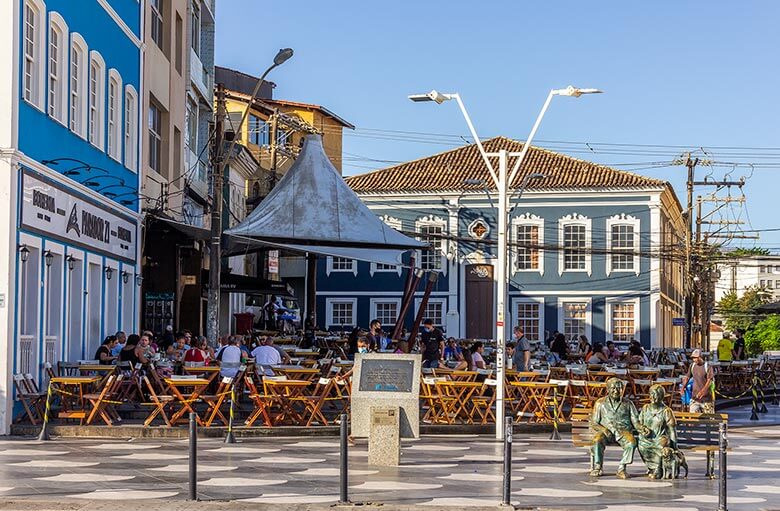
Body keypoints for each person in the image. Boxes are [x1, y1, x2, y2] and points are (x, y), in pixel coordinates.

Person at [590, 377, 649, 479]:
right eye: (613, 388)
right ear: (608, 389)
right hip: (606, 432)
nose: (616, 391)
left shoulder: (628, 403)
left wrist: (642, 428)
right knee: (597, 440)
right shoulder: (600, 403)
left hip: (623, 432)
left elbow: (635, 422)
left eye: (619, 388)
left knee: (631, 443)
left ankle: (622, 468)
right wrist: (603, 429)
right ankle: (597, 466)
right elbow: (594, 423)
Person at [637, 384, 678, 479]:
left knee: (661, 446)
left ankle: (658, 469)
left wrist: (675, 446)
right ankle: (652, 467)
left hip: (661, 437)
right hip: (647, 438)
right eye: (651, 394)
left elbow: (672, 430)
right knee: (641, 444)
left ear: (661, 396)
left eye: (655, 394)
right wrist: (643, 429)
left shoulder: (666, 411)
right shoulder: (645, 408)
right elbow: (639, 423)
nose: (653, 397)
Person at [681, 348, 715, 414]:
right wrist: (683, 387)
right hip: (695, 398)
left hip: (706, 399)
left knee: (709, 421)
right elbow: (687, 377)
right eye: (693, 358)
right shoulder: (692, 366)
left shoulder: (707, 366)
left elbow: (709, 381)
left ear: (700, 357)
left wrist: (702, 391)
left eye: (696, 358)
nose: (695, 360)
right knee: (692, 418)